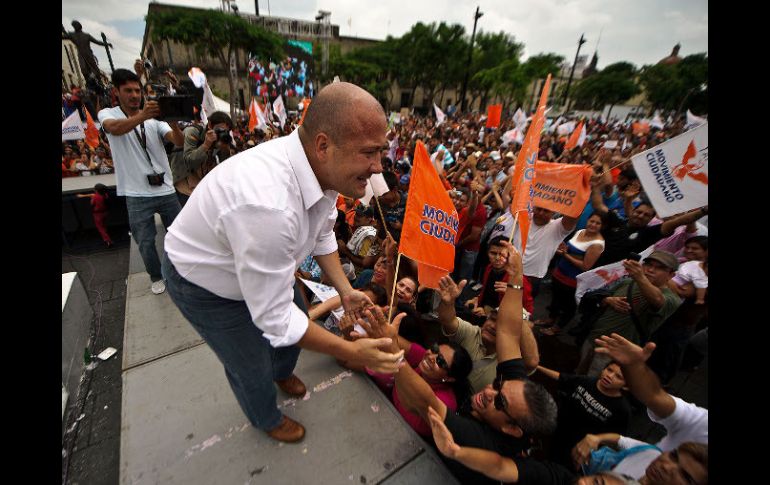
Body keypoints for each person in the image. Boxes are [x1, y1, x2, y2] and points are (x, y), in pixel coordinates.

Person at [161, 82, 405, 443]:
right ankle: (266, 416)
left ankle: (281, 371)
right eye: (369, 153)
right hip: (205, 283)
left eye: (381, 151)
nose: (377, 167)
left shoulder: (323, 169)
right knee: (250, 365)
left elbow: (322, 234)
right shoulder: (268, 204)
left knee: (294, 332)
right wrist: (352, 350)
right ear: (323, 145)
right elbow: (275, 319)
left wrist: (346, 290)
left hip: (268, 264)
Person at [368, 241, 558, 484]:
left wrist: (392, 347)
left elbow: (423, 402)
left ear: (512, 429)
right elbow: (509, 333)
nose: (489, 391)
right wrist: (517, 277)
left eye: (499, 401)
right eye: (497, 384)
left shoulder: (481, 440)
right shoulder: (515, 389)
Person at [572, 333, 707, 482]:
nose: (666, 467)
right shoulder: (649, 454)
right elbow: (654, 397)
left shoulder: (622, 411)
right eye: (674, 455)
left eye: (686, 476)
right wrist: (633, 366)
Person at [98, 68, 185, 295]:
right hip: (136, 193)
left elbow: (178, 141)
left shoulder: (155, 119)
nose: (135, 95)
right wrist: (143, 116)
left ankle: (182, 271)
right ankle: (156, 276)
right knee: (145, 242)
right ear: (116, 92)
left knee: (180, 235)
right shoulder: (108, 113)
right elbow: (114, 129)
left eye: (137, 90)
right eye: (128, 91)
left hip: (165, 189)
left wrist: (174, 123)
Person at [577, 251, 682, 377]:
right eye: (648, 264)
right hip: (594, 338)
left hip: (616, 351)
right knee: (579, 373)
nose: (651, 270)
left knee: (598, 381)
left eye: (660, 268)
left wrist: (640, 277)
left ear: (671, 275)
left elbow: (657, 300)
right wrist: (608, 300)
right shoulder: (628, 282)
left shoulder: (672, 299)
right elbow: (600, 296)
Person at [436, 275, 539, 394]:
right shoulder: (472, 333)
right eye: (493, 319)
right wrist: (448, 303)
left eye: (502, 326)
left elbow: (531, 362)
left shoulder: (510, 358)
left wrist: (516, 309)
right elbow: (448, 320)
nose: (493, 326)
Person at [536, 362, 630, 469]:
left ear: (626, 386)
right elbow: (561, 377)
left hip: (575, 452)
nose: (610, 376)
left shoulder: (622, 409)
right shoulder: (587, 381)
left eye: (618, 377)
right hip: (554, 435)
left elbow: (616, 440)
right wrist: (536, 367)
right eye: (609, 370)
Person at [537, 213, 605, 336]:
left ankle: (557, 327)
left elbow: (585, 266)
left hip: (573, 280)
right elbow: (569, 250)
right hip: (559, 273)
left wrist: (565, 255)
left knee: (568, 306)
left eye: (598, 223)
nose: (593, 225)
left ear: (602, 226)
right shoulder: (580, 231)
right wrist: (563, 249)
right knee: (555, 300)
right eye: (592, 221)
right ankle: (550, 319)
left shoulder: (597, 244)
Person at [174, 111, 234, 206]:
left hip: (202, 187)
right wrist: (206, 145)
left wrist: (224, 148)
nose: (223, 133)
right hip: (185, 187)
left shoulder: (220, 139)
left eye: (226, 131)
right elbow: (189, 160)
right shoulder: (193, 132)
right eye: (220, 130)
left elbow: (225, 167)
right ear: (210, 124)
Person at [76, 183, 113, 247]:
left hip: (98, 215)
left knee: (100, 228)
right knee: (103, 225)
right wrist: (82, 195)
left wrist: (82, 196)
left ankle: (108, 241)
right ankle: (106, 235)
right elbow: (92, 195)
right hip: (105, 213)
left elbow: (92, 204)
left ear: (96, 190)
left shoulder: (95, 197)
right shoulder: (105, 195)